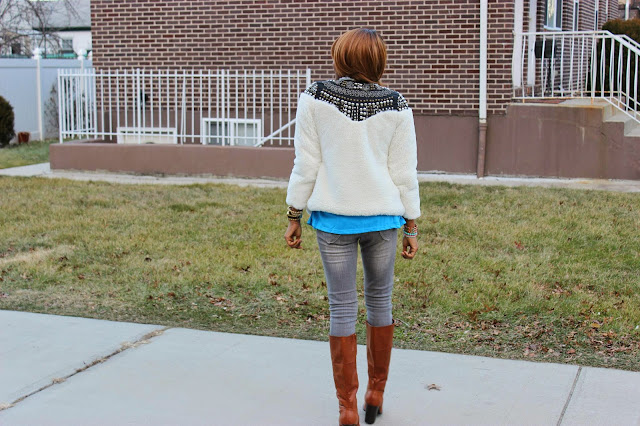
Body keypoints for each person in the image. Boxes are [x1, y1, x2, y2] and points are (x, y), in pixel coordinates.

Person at [284, 28, 420, 426]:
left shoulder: (314, 97)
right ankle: (375, 393)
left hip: (333, 221)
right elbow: (404, 171)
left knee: (341, 307)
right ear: (379, 61)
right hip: (383, 220)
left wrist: (294, 213)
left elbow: (306, 163)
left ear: (340, 57)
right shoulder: (397, 104)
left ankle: (347, 409)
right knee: (381, 301)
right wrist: (411, 224)